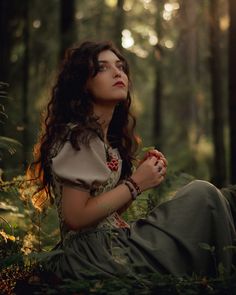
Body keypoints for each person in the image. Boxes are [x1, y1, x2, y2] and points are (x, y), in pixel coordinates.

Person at [29, 40, 236, 280]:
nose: (118, 72)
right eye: (103, 68)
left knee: (227, 199)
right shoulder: (81, 138)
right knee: (204, 195)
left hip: (111, 244)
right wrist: (136, 183)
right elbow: (75, 217)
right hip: (98, 256)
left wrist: (140, 176)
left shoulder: (101, 139)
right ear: (83, 83)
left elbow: (102, 210)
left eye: (120, 66)